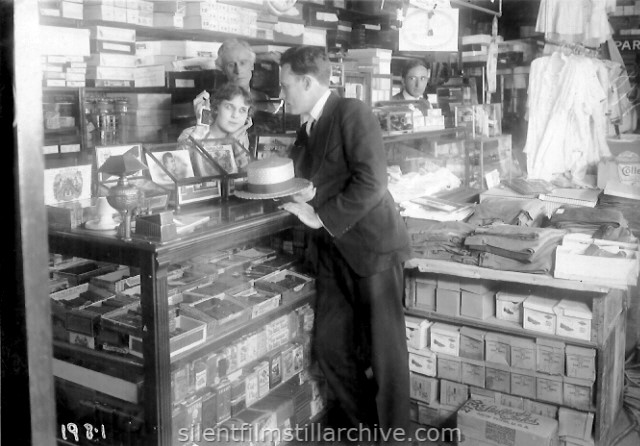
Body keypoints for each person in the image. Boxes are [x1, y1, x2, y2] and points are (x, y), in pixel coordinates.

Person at [278, 46, 412, 441]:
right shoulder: (307, 126)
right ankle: (368, 430)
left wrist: (320, 215)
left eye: (286, 85)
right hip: (333, 253)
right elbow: (308, 181)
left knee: (385, 356)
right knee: (331, 348)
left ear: (307, 82)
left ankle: (395, 438)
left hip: (372, 248)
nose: (282, 94)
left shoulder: (352, 112)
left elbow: (372, 182)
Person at [178, 83, 252, 176]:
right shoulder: (190, 133)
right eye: (229, 107)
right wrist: (201, 127)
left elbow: (246, 176)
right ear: (216, 108)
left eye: (242, 110)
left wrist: (233, 142)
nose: (235, 115)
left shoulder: (241, 137)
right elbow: (181, 169)